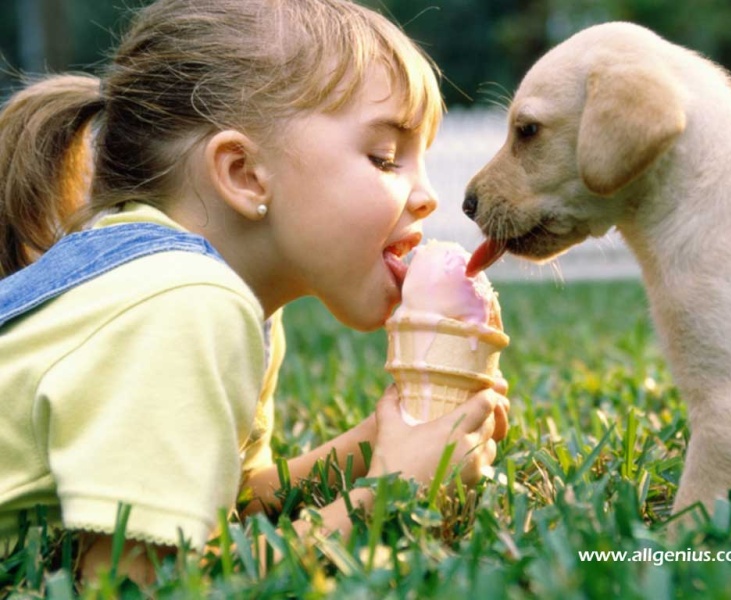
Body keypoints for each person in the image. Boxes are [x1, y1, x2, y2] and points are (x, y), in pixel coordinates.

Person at [0, 0, 509, 585]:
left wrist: (375, 443)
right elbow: (134, 582)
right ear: (243, 172)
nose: (426, 196)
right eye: (385, 157)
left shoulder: (224, 302)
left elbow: (236, 504)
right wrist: (388, 495)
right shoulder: (183, 302)